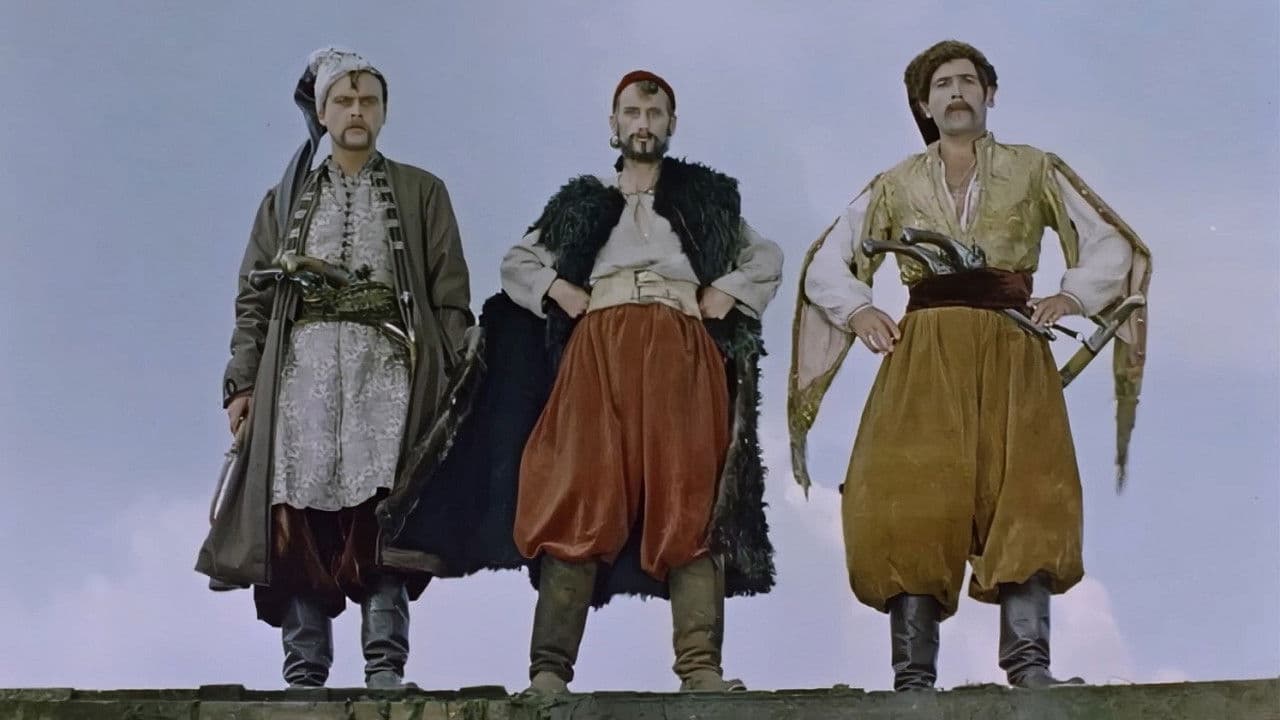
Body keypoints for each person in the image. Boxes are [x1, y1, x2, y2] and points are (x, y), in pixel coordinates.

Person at [788, 40, 1151, 690]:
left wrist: (1070, 296)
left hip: (1015, 347)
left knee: (1030, 494)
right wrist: (859, 310)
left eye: (967, 81)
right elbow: (827, 260)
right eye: (942, 85)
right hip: (923, 352)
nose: (956, 93)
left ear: (990, 94)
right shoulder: (895, 182)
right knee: (908, 497)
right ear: (924, 105)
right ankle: (913, 679)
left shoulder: (1035, 167)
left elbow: (1109, 244)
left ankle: (1030, 667)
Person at [498, 70, 783, 694]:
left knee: (691, 495)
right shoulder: (583, 202)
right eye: (632, 113)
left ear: (671, 124)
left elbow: (765, 257)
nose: (643, 124)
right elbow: (517, 261)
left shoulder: (705, 198)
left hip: (681, 350)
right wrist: (558, 288)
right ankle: (548, 673)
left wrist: (726, 291)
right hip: (599, 349)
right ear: (615, 124)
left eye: (655, 115)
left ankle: (700, 670)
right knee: (578, 492)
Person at [195, 47, 473, 689]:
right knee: (295, 520)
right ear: (322, 113)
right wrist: (242, 382)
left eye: (368, 101)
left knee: (387, 517)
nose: (356, 111)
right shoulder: (284, 199)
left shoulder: (423, 191)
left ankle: (385, 668)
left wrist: (456, 381)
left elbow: (450, 297)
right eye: (344, 101)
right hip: (301, 378)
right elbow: (254, 298)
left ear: (383, 112)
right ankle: (304, 674)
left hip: (389, 374)